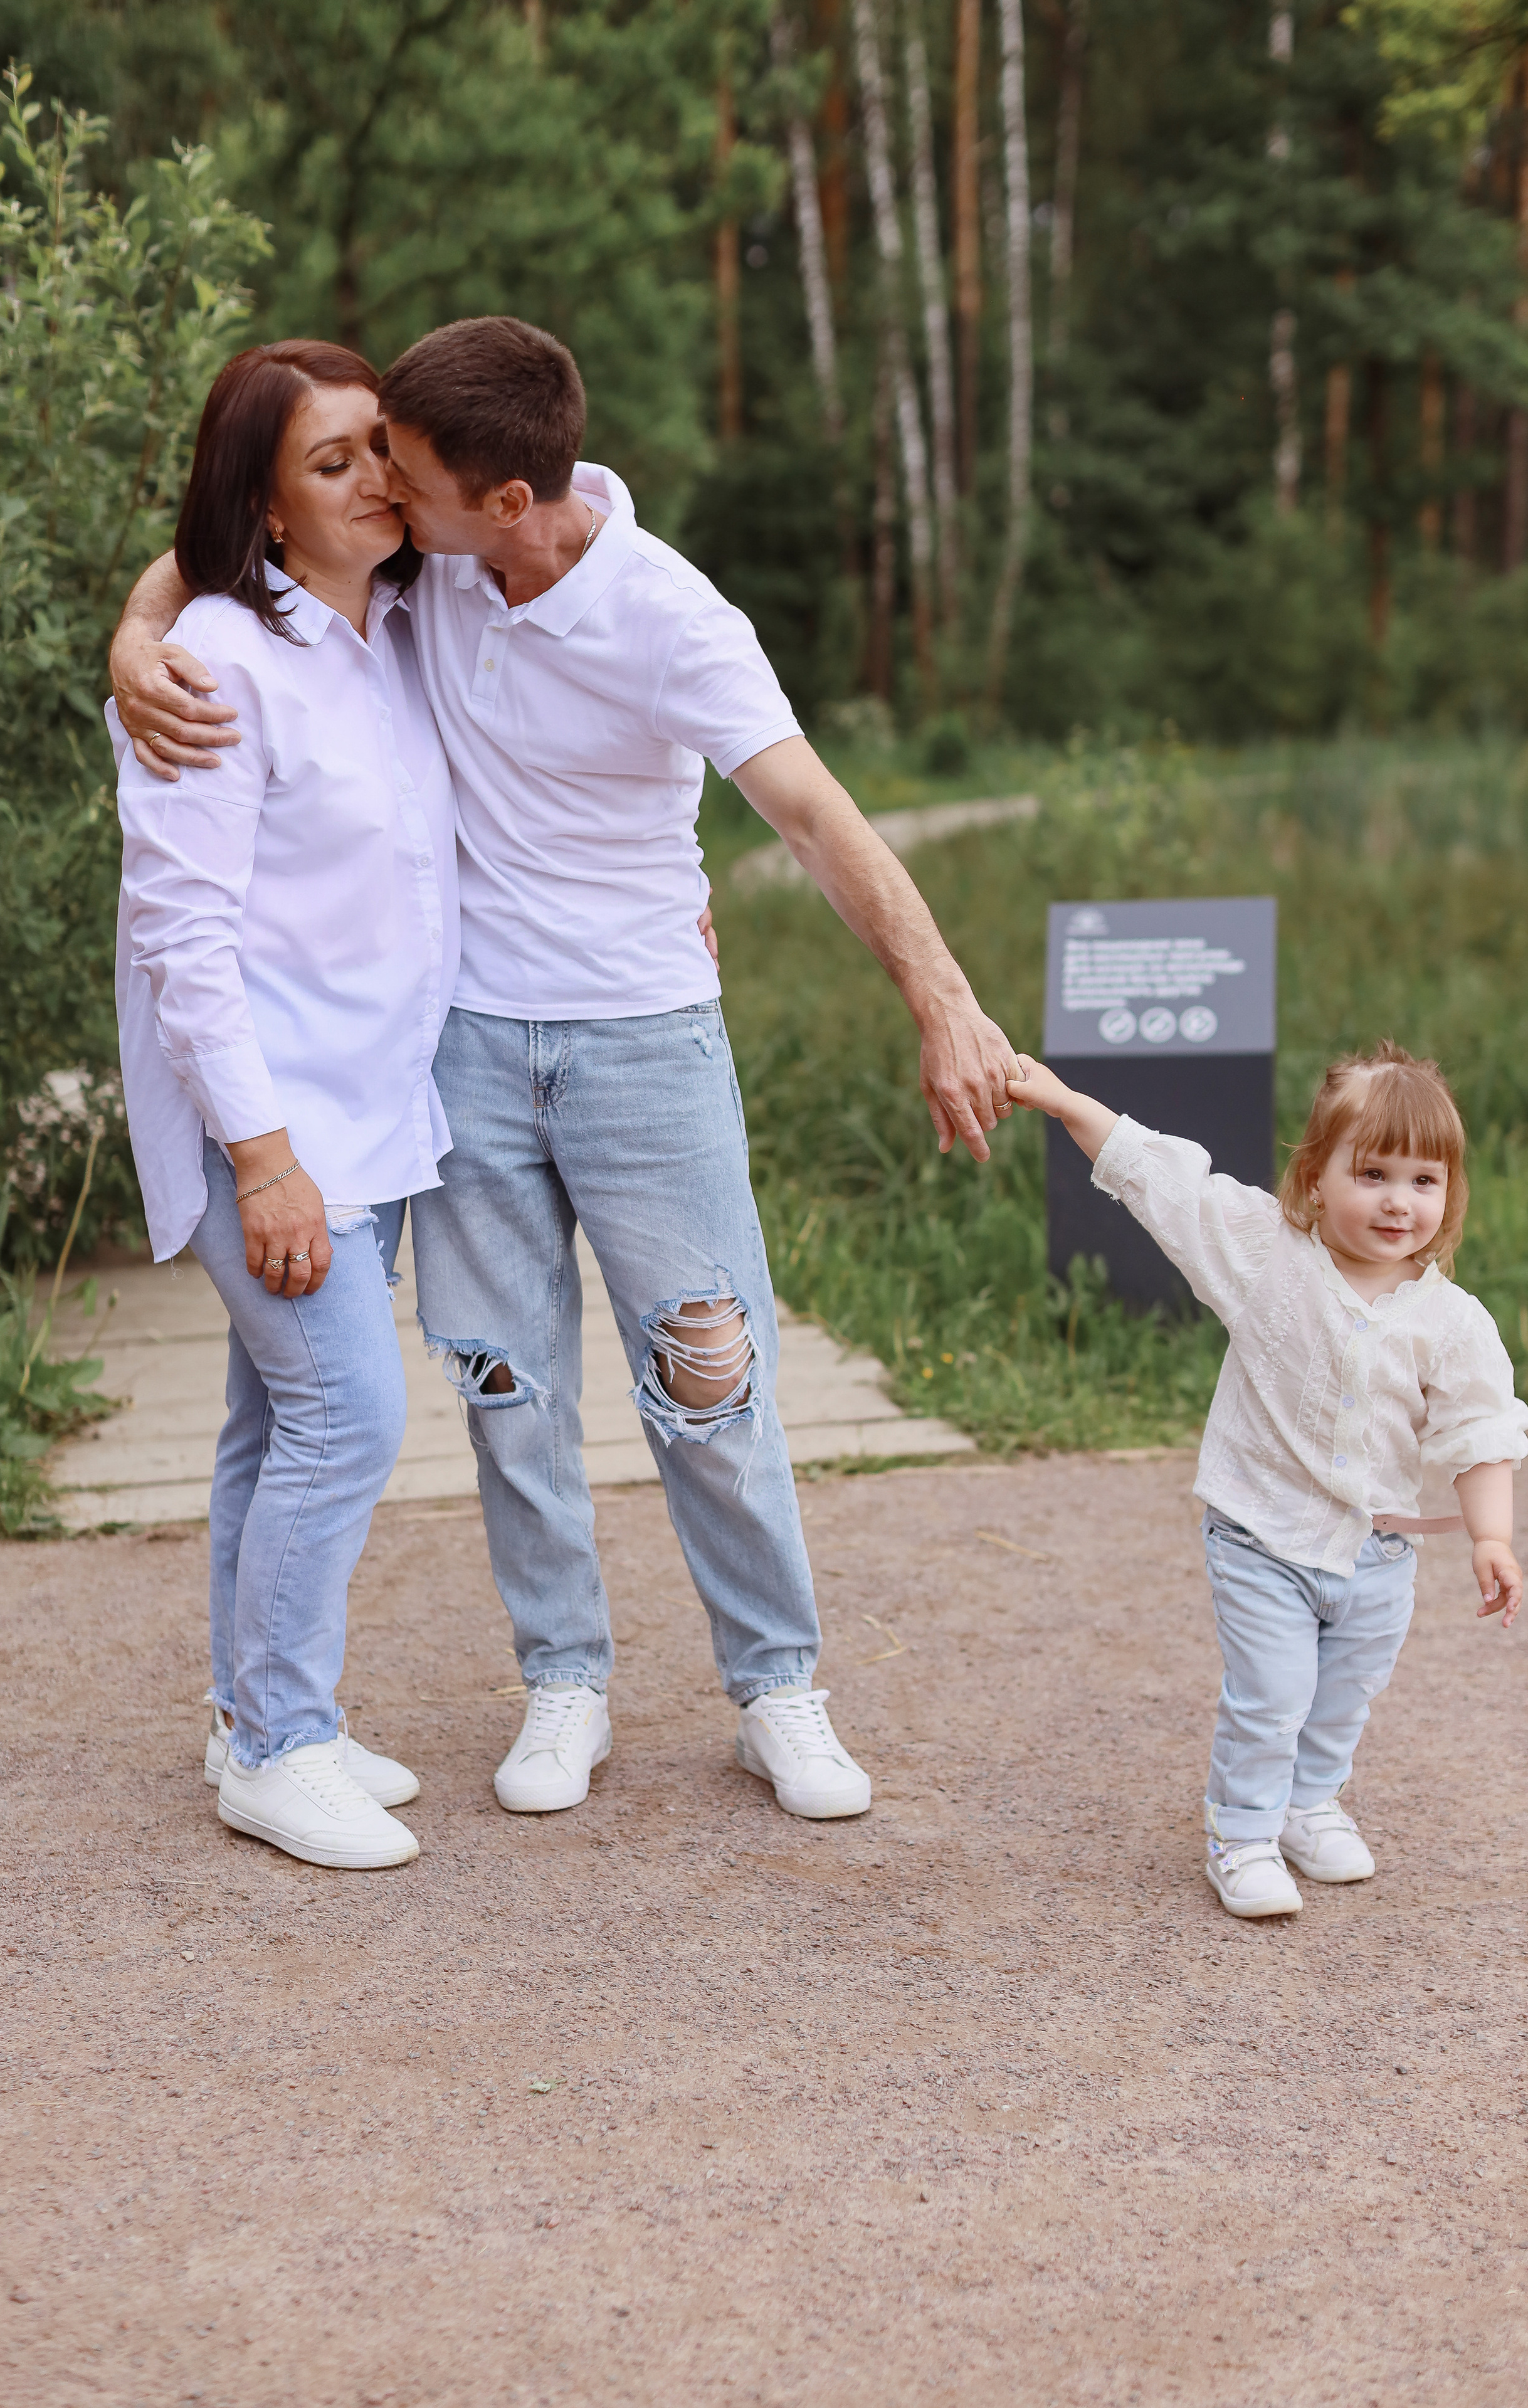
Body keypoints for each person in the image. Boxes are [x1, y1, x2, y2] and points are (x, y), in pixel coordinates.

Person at [109, 315, 1020, 1826]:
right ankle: (562, 1680)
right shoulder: (423, 570)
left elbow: (814, 815)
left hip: (644, 1037)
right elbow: (222, 537)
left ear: (505, 505)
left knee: (707, 1373)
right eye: (367, 471)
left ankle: (776, 1686)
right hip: (460, 1052)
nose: (388, 497)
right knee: (503, 1381)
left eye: (401, 475)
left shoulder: (663, 617)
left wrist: (944, 1003)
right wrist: (135, 639)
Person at [110, 339, 464, 1870]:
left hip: (370, 1106)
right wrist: (262, 1161)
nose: (377, 479)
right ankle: (277, 1743)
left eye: (379, 446)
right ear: (264, 511)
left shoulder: (385, 619)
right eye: (332, 464)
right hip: (272, 1121)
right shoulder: (216, 664)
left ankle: (249, 1706)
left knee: (272, 1422)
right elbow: (180, 938)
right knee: (346, 1414)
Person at [1008, 1039, 1525, 1920]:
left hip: (1379, 1552)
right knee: (1273, 1695)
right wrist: (1065, 1103)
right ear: (1317, 1177)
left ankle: (1307, 1805)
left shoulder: (1453, 1321)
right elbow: (1165, 1178)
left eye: (1424, 1181)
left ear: (1450, 1194)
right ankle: (1241, 1834)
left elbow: (1480, 1432)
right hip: (1260, 1536)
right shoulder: (1265, 1254)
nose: (1399, 1201)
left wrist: (1491, 1536)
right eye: (1373, 1174)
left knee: (1342, 1699)